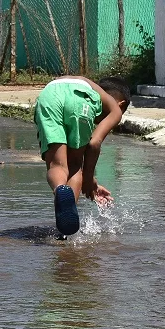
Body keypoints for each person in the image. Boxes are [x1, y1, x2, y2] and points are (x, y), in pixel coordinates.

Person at [35, 76, 131, 235]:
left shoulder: (85, 83)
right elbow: (94, 143)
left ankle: (60, 189)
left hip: (49, 94)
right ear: (122, 104)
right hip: (81, 103)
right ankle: (66, 233)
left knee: (57, 165)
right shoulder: (115, 108)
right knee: (73, 166)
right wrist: (87, 177)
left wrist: (90, 181)